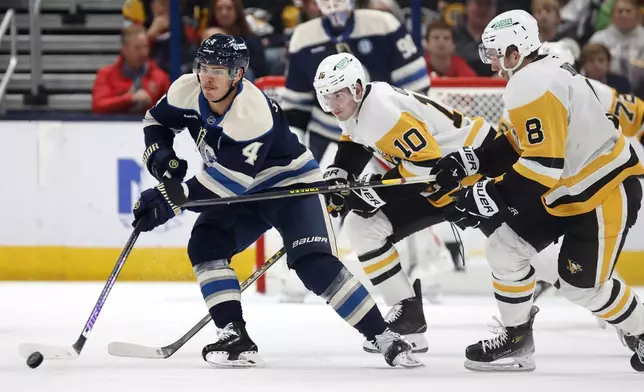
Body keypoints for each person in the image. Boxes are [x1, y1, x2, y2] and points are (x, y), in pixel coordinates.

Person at [131, 33, 422, 369]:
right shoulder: (186, 89)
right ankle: (233, 333)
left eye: (220, 70)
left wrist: (169, 198)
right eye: (204, 67)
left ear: (238, 73)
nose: (209, 77)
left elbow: (226, 184)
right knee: (206, 245)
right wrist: (160, 156)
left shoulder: (252, 113)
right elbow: (156, 121)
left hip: (289, 186)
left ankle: (383, 335)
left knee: (314, 265)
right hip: (242, 189)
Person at [430, 9, 644, 372]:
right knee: (505, 247)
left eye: (497, 55)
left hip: (604, 191)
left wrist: (485, 196)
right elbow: (524, 142)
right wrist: (473, 161)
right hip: (571, 188)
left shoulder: (529, 83)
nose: (493, 65)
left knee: (582, 287)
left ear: (516, 52)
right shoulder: (544, 66)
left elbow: (543, 167)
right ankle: (516, 338)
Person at [313, 52, 499, 354]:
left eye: (338, 95)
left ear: (357, 89)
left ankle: (595, 290)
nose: (332, 106)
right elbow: (356, 139)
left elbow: (427, 164)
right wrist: (341, 177)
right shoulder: (359, 107)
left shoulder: (381, 113)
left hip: (479, 169)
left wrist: (368, 194)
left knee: (523, 249)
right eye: (325, 97)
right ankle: (408, 316)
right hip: (440, 183)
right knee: (362, 227)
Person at [282, 0, 429, 162]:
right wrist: (293, 150)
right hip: (326, 134)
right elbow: (296, 108)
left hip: (384, 127)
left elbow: (415, 87)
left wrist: (404, 125)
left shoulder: (384, 24)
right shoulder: (303, 37)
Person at [92, 25, 170, 115]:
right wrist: (129, 99)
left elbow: (170, 111)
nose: (143, 52)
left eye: (145, 47)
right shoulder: (106, 75)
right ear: (124, 48)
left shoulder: (160, 77)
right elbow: (98, 106)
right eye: (137, 48)